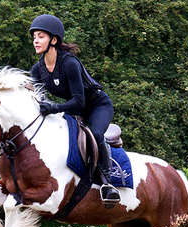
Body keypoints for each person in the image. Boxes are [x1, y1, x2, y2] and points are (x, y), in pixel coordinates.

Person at [29, 14, 121, 207]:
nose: (35, 40)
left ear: (53, 40)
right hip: (73, 109)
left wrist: (54, 108)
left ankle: (107, 184)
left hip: (96, 106)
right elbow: (38, 99)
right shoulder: (37, 70)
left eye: (41, 36)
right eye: (34, 37)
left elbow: (79, 102)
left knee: (95, 134)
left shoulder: (69, 63)